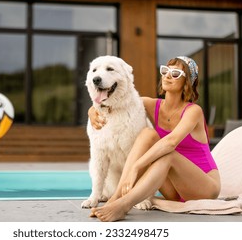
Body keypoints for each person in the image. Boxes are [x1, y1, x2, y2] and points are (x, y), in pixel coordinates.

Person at [88, 56, 220, 222]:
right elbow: (116, 102)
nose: (167, 75)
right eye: (165, 71)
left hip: (204, 186)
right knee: (148, 134)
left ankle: (124, 205)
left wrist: (136, 166)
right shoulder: (151, 105)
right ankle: (115, 199)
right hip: (173, 189)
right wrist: (92, 110)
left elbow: (171, 143)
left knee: (168, 154)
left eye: (176, 73)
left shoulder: (194, 111)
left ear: (188, 82)